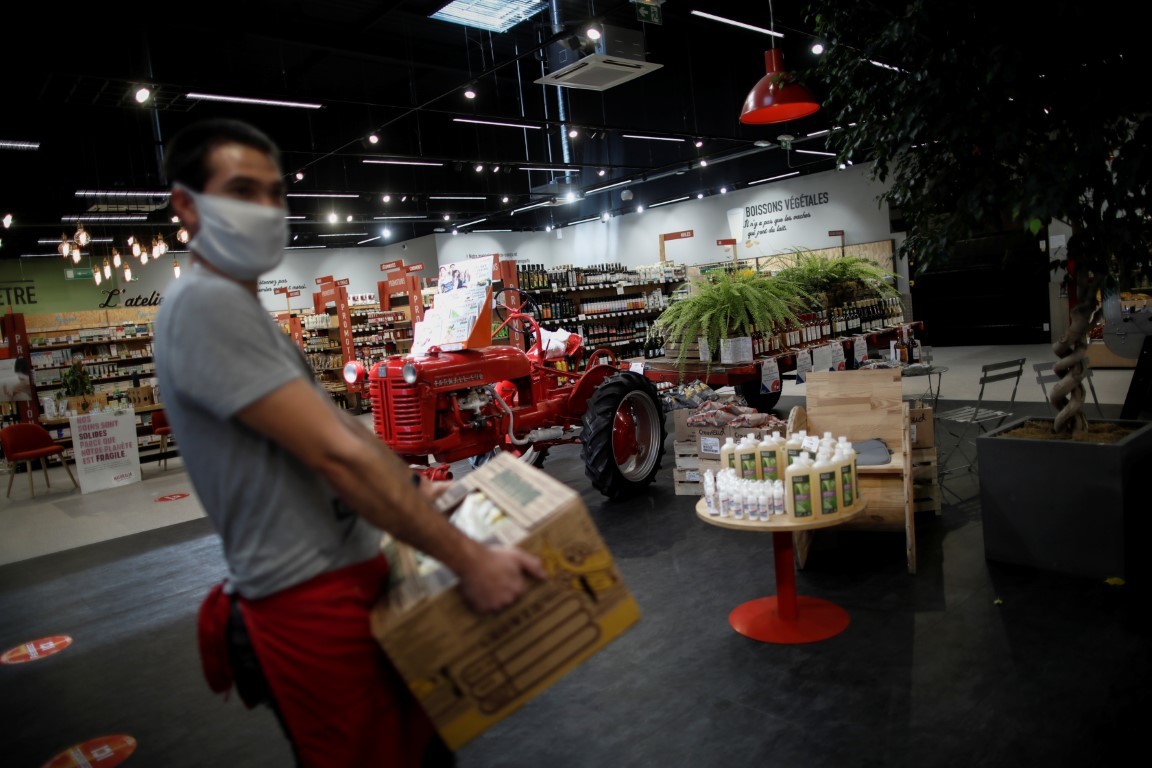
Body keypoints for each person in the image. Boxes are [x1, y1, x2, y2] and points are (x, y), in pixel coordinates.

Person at [154, 118, 544, 768]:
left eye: (275, 193)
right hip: (309, 601)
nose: (266, 210)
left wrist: (412, 490)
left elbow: (326, 437)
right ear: (187, 206)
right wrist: (471, 561)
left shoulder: (239, 311)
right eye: (242, 191)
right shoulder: (205, 306)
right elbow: (336, 454)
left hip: (344, 581)